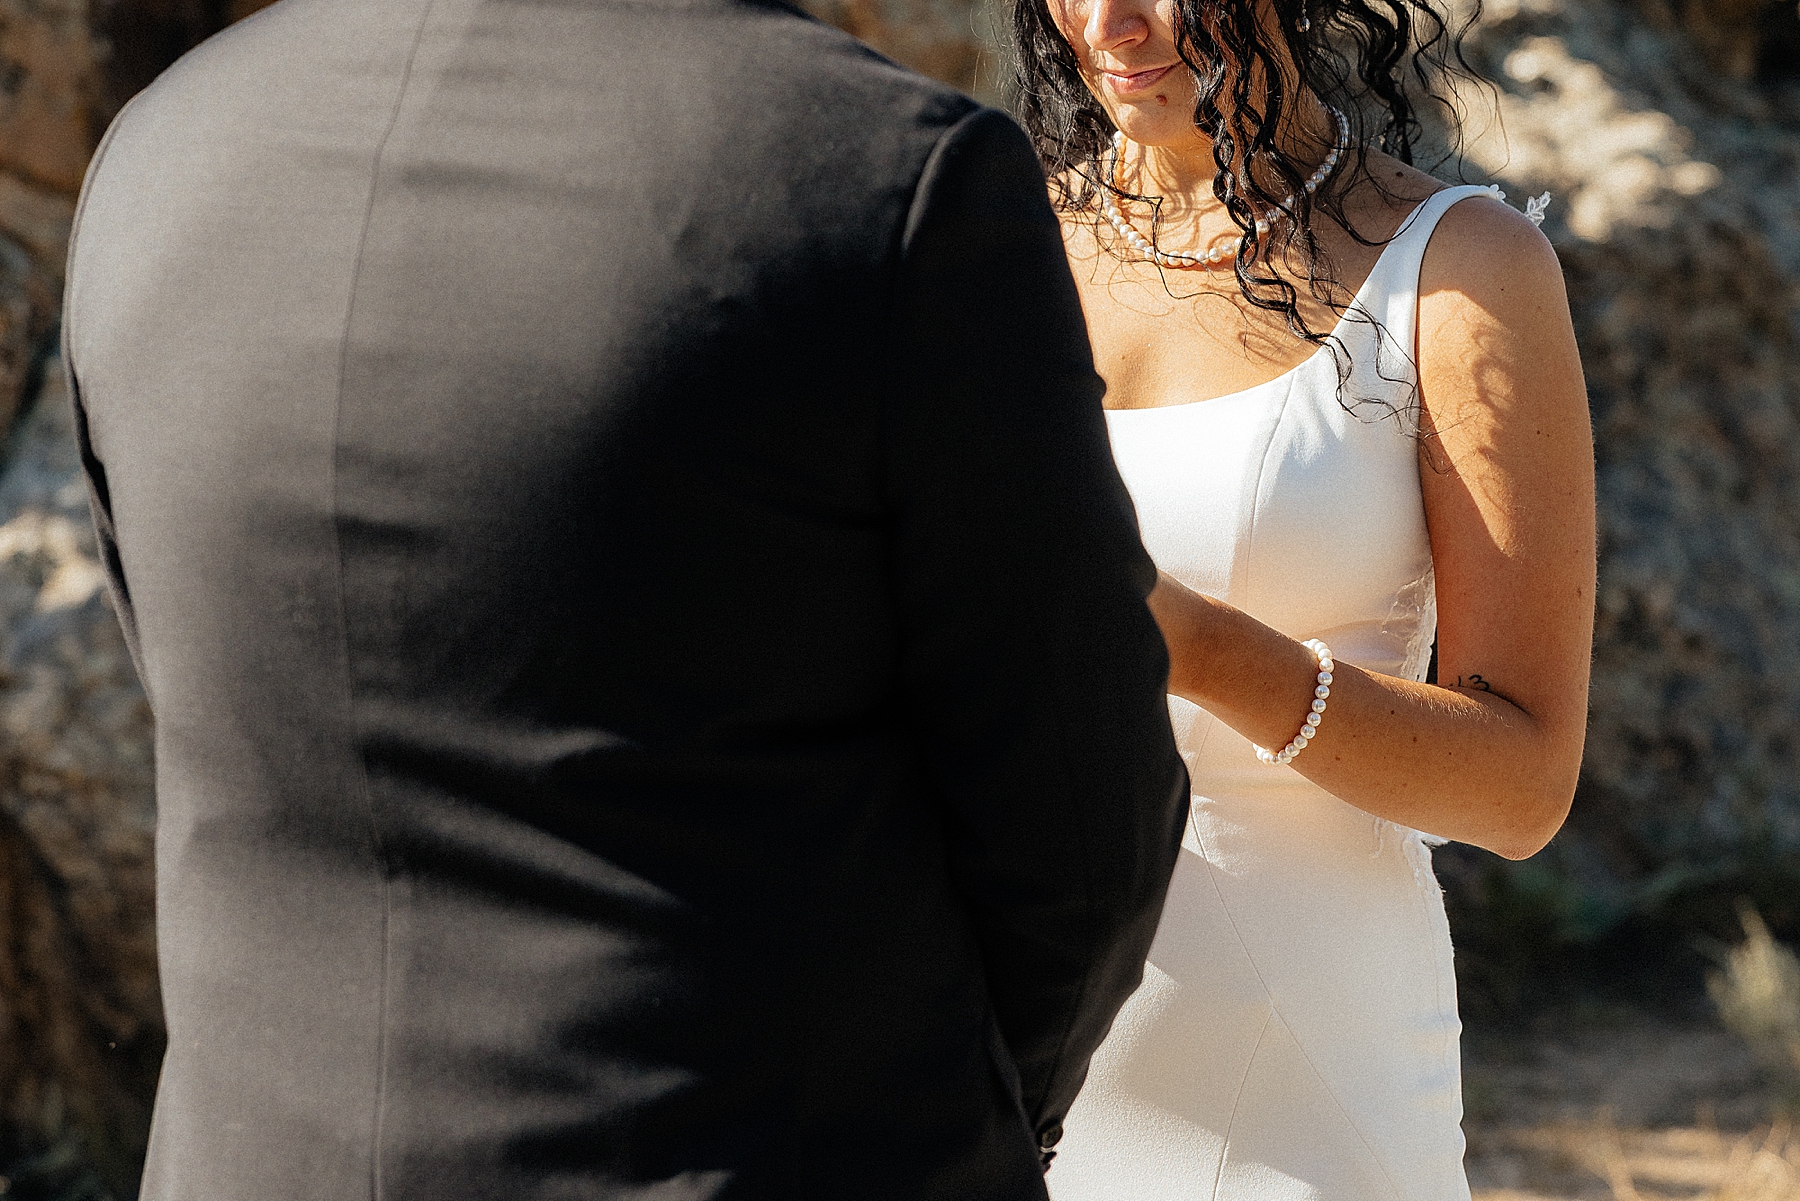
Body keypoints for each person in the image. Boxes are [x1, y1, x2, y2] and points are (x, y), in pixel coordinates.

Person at [59, 0, 1191, 1196]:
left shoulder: (154, 155)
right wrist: (962, 1110)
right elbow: (1079, 825)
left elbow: (200, 697)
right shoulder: (886, 175)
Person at [1008, 0, 1596, 1196]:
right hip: (1000, 1065)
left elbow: (1523, 786)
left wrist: (1188, 642)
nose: (1112, 19)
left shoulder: (1459, 269)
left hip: (1311, 1072)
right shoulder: (991, 250)